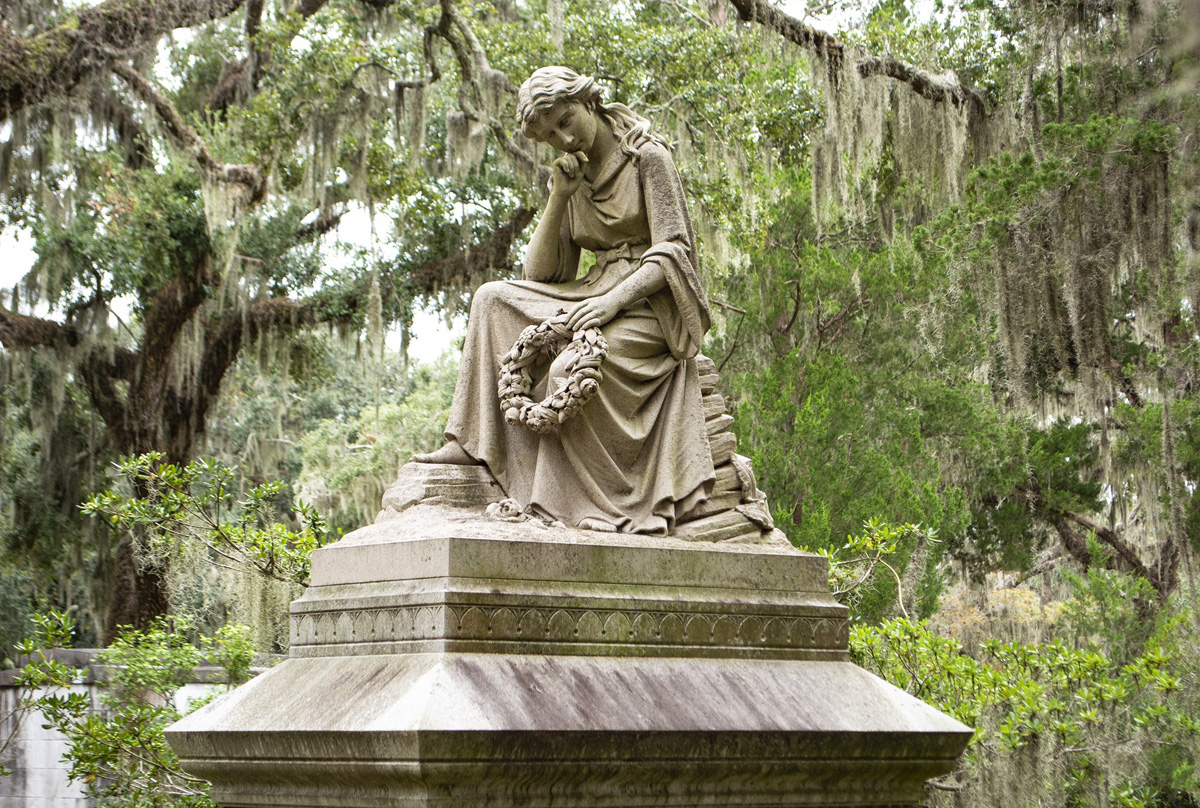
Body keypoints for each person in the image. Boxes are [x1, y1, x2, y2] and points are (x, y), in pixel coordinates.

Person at [415, 66, 714, 534]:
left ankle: (583, 504)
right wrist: (559, 196)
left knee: (564, 372)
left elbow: (675, 250)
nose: (562, 138)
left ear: (587, 101)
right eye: (549, 135)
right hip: (591, 289)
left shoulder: (647, 156)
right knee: (491, 298)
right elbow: (544, 274)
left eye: (565, 121)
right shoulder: (573, 174)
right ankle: (471, 442)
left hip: (648, 303)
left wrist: (614, 302)